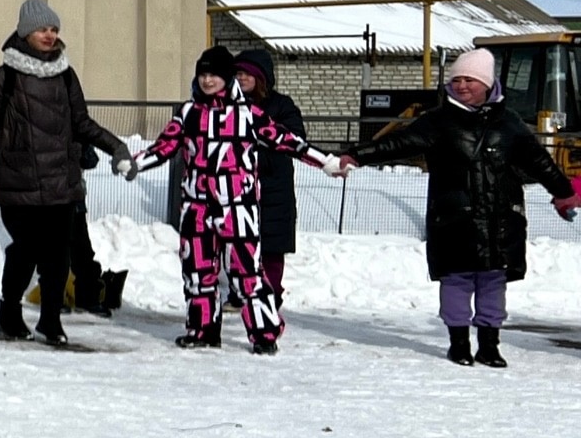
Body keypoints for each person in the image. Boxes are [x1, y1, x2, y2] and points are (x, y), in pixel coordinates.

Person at [342, 47, 577, 368]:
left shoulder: (509, 124)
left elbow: (540, 163)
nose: (463, 86)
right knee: (457, 280)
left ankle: (490, 345)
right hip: (454, 218)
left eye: (470, 80)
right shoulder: (437, 122)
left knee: (493, 281)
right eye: (457, 80)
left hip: (500, 219)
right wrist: (357, 154)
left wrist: (562, 191)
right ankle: (459, 343)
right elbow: (398, 143)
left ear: (487, 83)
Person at [0, 0, 130, 347]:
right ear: (26, 31)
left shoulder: (66, 75)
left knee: (58, 257)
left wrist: (116, 147)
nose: (49, 34)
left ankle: (50, 320)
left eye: (54, 29)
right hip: (18, 183)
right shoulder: (6, 77)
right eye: (43, 28)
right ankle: (9, 312)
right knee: (25, 250)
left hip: (61, 182)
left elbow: (81, 123)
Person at [129, 45, 343, 355]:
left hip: (237, 207)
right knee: (197, 271)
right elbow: (164, 146)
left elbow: (289, 141)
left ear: (226, 78)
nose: (207, 80)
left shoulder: (248, 115)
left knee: (247, 273)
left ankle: (265, 334)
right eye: (202, 74)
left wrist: (326, 162)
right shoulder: (188, 113)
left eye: (214, 74)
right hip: (197, 206)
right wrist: (134, 163)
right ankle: (202, 330)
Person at [234, 48, 308, 325]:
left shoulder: (281, 105)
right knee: (241, 245)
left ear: (260, 76)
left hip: (274, 190)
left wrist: (255, 153)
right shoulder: (228, 105)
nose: (240, 78)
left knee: (271, 250)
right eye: (236, 73)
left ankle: (271, 296)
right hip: (239, 189)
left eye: (245, 73)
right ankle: (241, 292)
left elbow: (294, 140)